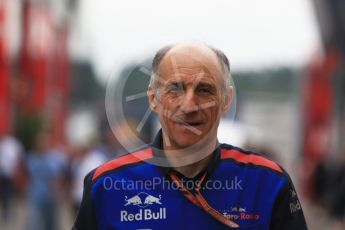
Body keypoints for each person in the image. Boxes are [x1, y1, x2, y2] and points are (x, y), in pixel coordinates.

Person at [73, 42, 308, 229]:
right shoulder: (105, 185)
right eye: (174, 89)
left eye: (204, 90)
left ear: (226, 99)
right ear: (153, 99)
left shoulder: (268, 183)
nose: (188, 105)